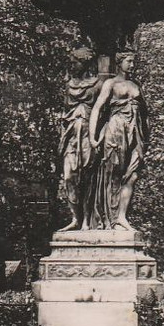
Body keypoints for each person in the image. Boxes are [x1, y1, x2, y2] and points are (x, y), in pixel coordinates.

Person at [89, 50, 148, 229]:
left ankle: (122, 216)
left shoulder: (136, 85)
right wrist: (93, 136)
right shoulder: (111, 83)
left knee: (133, 174)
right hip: (116, 129)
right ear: (120, 62)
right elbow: (97, 108)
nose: (132, 65)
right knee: (113, 174)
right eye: (129, 61)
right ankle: (109, 218)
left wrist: (146, 138)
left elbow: (145, 114)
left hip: (135, 131)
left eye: (133, 61)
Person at [58, 47, 103, 230]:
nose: (72, 66)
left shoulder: (97, 85)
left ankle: (87, 220)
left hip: (87, 135)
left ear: (84, 63)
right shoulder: (68, 85)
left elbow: (102, 112)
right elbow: (64, 111)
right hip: (71, 135)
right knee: (69, 177)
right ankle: (76, 217)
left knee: (87, 178)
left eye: (75, 62)